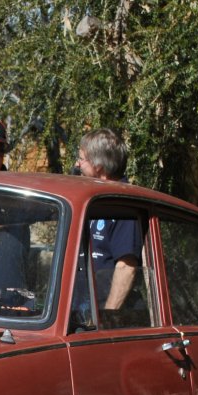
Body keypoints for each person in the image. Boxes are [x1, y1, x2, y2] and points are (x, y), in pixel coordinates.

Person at [72, 128, 141, 316]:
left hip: (106, 318)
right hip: (82, 313)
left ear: (98, 166)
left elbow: (126, 267)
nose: (77, 164)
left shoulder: (123, 204)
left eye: (81, 159)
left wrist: (108, 317)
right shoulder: (93, 201)